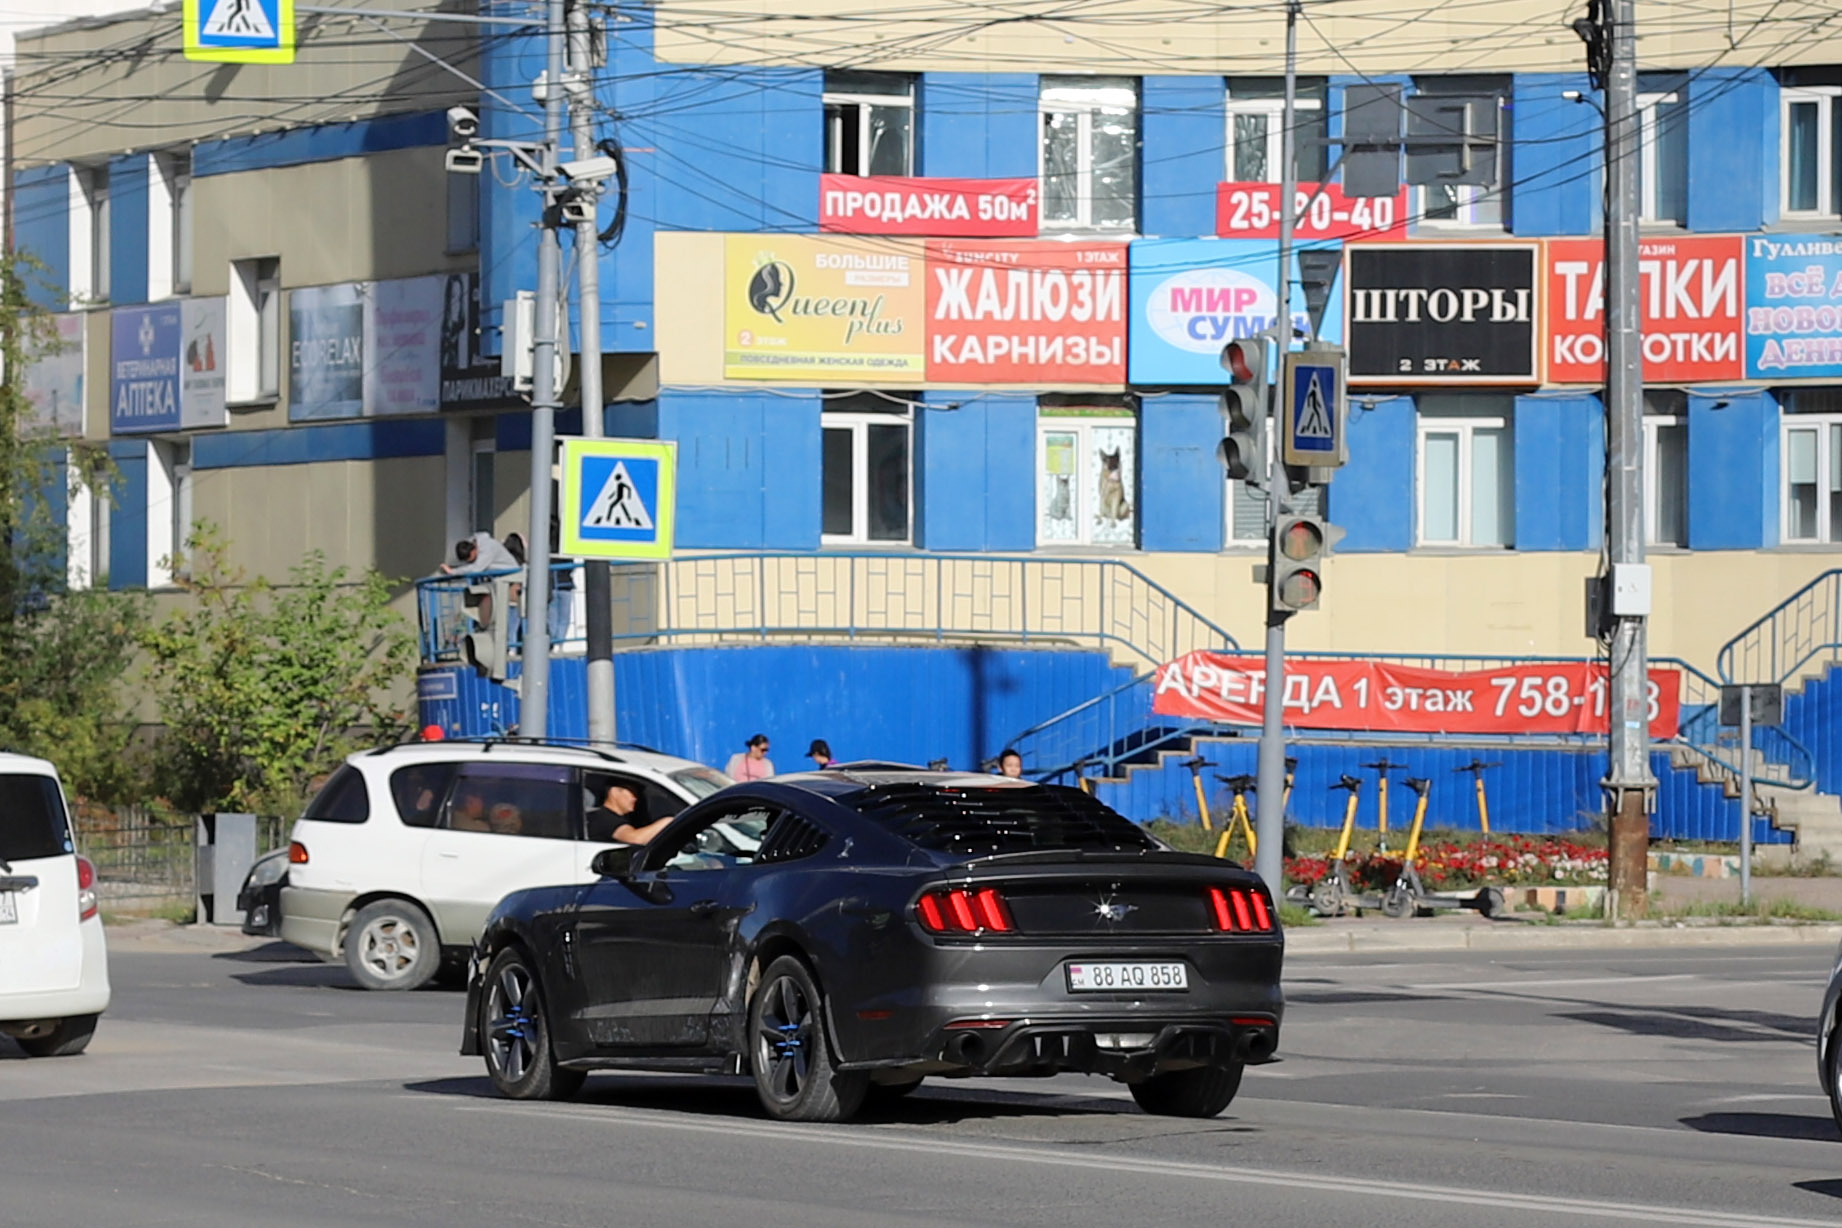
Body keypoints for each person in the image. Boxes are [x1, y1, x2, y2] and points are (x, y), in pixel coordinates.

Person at [586, 779, 674, 845]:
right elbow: (634, 838)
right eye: (632, 792)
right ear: (615, 792)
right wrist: (669, 821)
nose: (635, 798)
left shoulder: (618, 817)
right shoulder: (604, 818)